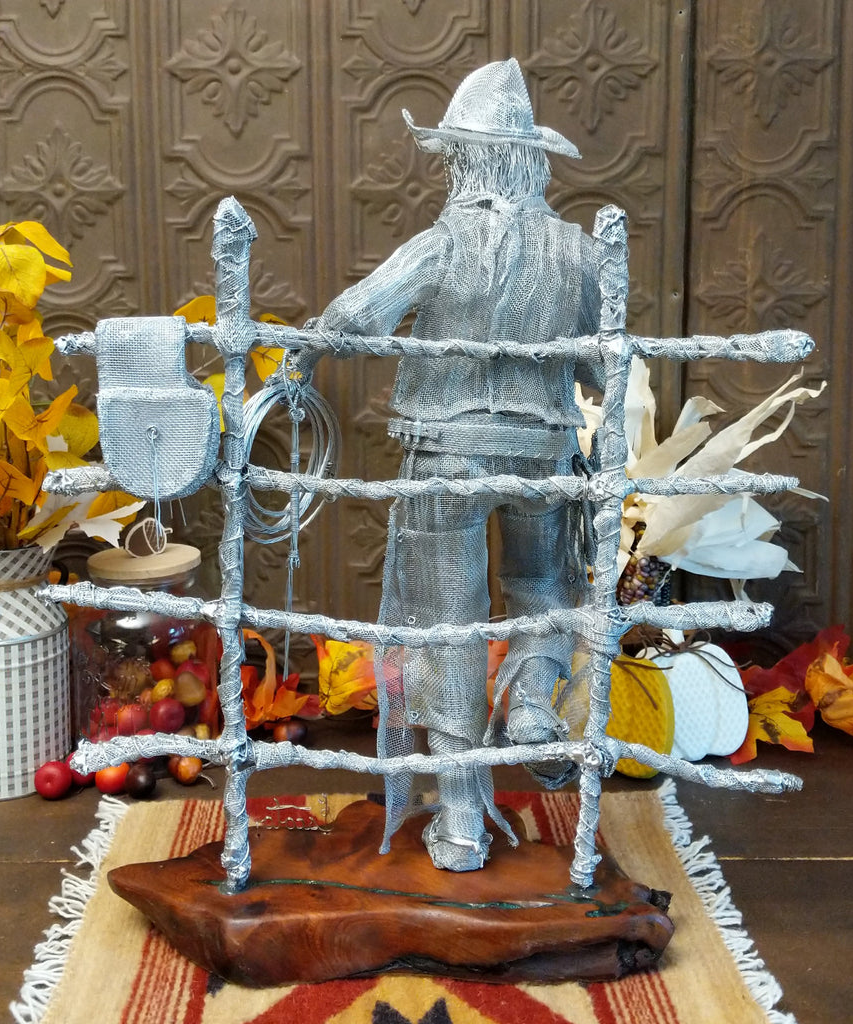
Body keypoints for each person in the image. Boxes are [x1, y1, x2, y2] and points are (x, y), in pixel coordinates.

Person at [290, 58, 603, 871]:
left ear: (464, 160)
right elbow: (606, 371)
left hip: (445, 455)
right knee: (543, 586)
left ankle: (462, 823)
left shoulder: (441, 242)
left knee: (449, 630)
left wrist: (303, 355)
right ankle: (533, 699)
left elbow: (355, 316)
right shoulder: (579, 254)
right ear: (531, 158)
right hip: (542, 451)